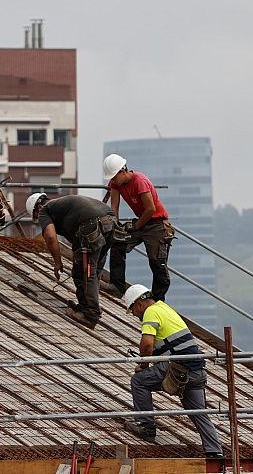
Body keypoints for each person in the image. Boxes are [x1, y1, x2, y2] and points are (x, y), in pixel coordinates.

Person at [122, 284, 223, 459]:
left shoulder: (151, 312)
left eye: (133, 310)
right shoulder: (164, 308)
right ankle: (214, 451)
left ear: (139, 303)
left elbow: (147, 344)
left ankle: (146, 426)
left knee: (138, 381)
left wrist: (143, 365)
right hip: (196, 370)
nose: (135, 315)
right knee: (198, 412)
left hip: (177, 369)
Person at [26, 193, 116, 329]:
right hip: (111, 224)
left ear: (37, 208)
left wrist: (57, 262)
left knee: (85, 272)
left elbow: (50, 237)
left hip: (92, 227)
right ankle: (86, 306)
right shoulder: (61, 205)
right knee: (93, 270)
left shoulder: (45, 210)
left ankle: (91, 315)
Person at [103, 153, 174, 301]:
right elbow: (114, 206)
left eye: (114, 177)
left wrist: (136, 226)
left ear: (123, 172)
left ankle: (157, 300)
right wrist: (115, 225)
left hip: (156, 224)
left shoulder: (140, 181)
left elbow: (150, 209)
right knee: (118, 244)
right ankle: (117, 285)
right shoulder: (116, 184)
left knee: (157, 262)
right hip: (141, 222)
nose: (113, 181)